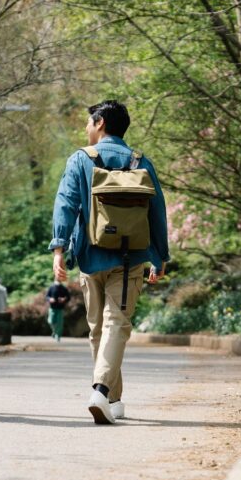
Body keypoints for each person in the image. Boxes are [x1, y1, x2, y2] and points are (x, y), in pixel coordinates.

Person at [50, 100, 169, 425]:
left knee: (99, 330)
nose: (87, 128)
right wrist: (159, 257)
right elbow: (157, 211)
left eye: (89, 122)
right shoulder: (140, 161)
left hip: (90, 257)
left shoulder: (81, 160)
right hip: (130, 258)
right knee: (113, 325)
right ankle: (111, 399)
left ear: (100, 123)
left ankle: (100, 390)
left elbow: (66, 204)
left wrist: (59, 248)